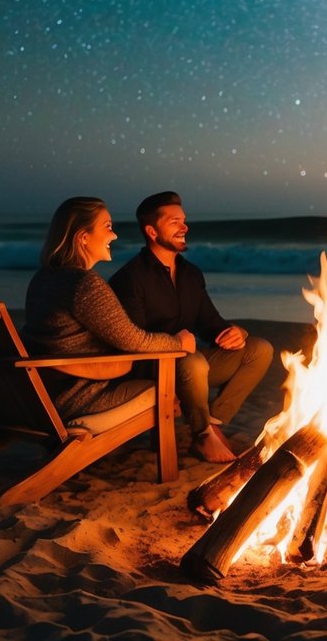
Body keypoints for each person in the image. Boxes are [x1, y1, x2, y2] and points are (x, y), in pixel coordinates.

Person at [109, 191, 273, 463]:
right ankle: (202, 435)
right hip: (149, 368)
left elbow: (211, 325)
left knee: (259, 349)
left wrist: (237, 333)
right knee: (193, 360)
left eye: (184, 220)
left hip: (190, 365)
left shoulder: (191, 273)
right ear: (151, 231)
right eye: (174, 222)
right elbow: (132, 341)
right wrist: (176, 345)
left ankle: (213, 422)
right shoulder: (130, 278)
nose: (184, 227)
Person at [22, 196, 195, 421]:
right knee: (167, 392)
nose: (114, 235)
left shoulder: (43, 278)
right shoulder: (84, 284)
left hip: (43, 395)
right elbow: (134, 341)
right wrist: (179, 343)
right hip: (77, 398)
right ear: (84, 237)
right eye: (107, 227)